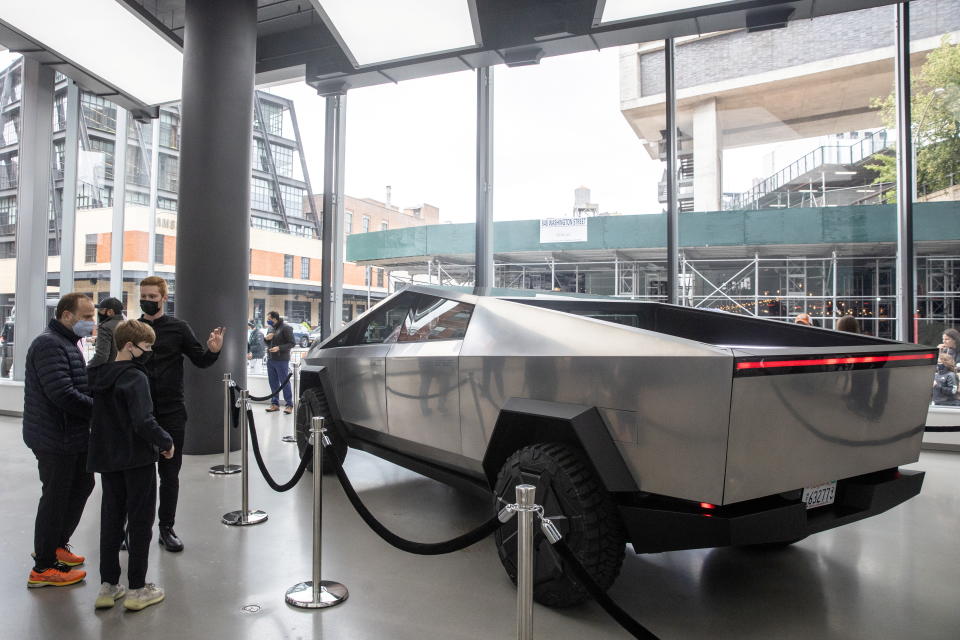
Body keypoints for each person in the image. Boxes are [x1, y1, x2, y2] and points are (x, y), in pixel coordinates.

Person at [88, 320, 174, 611]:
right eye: (146, 347)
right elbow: (143, 420)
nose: (149, 352)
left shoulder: (98, 376)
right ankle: (138, 587)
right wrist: (165, 441)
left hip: (108, 459)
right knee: (140, 523)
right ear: (129, 346)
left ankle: (108, 585)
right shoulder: (135, 378)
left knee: (111, 520)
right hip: (137, 459)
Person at [138, 276, 224, 552]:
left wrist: (213, 351)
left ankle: (166, 528)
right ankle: (134, 527)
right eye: (144, 296)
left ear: (164, 298)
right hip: (138, 411)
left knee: (169, 474)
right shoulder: (132, 329)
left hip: (171, 410)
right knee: (137, 474)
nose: (147, 301)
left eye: (153, 297)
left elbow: (199, 359)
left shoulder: (178, 328)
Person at [23, 292, 97, 588]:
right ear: (67, 316)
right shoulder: (48, 344)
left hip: (71, 435)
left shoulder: (66, 342)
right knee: (56, 496)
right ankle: (42, 567)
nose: (91, 322)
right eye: (87, 316)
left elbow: (75, 386)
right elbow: (62, 394)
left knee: (82, 484)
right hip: (54, 437)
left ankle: (55, 545)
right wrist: (101, 410)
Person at [264, 310, 294, 414]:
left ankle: (289, 405)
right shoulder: (271, 328)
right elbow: (267, 343)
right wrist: (266, 339)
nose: (268, 321)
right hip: (271, 359)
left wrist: (279, 348)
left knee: (284, 382)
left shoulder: (286, 328)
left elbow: (292, 343)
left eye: (269, 319)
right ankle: (274, 404)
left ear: (274, 318)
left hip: (281, 360)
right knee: (273, 383)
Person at [88, 297, 124, 367]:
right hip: (124, 370)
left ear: (110, 312)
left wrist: (88, 368)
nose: (99, 313)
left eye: (101, 310)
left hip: (109, 371)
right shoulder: (127, 324)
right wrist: (97, 341)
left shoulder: (105, 327)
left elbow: (101, 356)